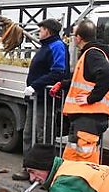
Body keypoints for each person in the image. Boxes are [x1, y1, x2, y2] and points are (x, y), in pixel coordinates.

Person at [50, 19, 109, 163]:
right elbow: (83, 78)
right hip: (85, 116)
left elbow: (107, 73)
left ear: (79, 38)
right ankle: (69, 182)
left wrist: (91, 98)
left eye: (74, 35)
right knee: (73, 155)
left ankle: (83, 183)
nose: (73, 38)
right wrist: (63, 84)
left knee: (85, 159)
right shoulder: (89, 54)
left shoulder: (92, 54)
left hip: (89, 116)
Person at [12, 18, 70, 180]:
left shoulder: (57, 46)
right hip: (37, 98)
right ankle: (28, 167)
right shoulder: (46, 46)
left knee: (42, 135)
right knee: (29, 133)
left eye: (41, 29)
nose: (39, 31)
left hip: (46, 99)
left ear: (48, 31)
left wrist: (36, 85)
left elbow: (58, 72)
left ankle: (43, 171)